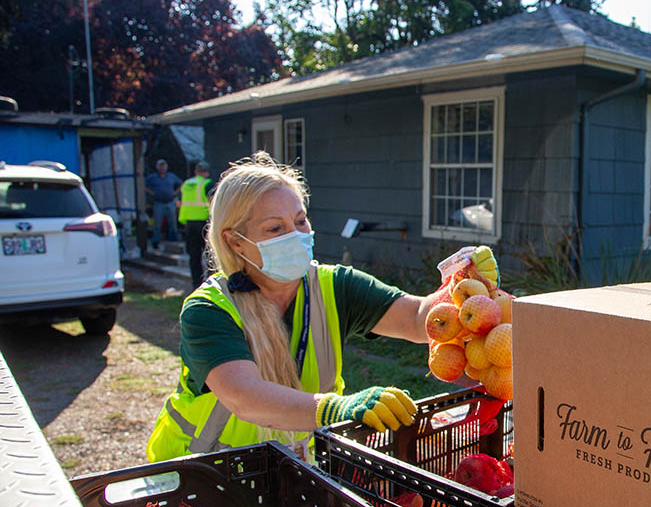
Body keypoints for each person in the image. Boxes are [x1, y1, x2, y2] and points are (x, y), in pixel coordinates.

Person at [145, 151, 498, 462]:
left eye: (300, 222)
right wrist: (335, 407)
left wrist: (461, 285)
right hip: (201, 476)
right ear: (235, 241)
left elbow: (415, 318)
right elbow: (244, 396)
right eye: (275, 228)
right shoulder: (209, 310)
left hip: (293, 471)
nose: (296, 236)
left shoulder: (333, 286)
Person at [178, 160, 214, 289]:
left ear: (196, 172)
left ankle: (196, 285)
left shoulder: (186, 184)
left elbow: (179, 203)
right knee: (211, 255)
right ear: (207, 172)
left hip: (188, 223)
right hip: (204, 223)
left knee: (194, 255)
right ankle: (211, 284)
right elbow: (213, 201)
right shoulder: (207, 184)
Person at [145, 158, 183, 248]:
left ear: (166, 167)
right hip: (159, 203)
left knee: (172, 224)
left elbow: (181, 183)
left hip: (170, 202)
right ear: (157, 167)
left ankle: (173, 242)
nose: (162, 168)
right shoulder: (153, 177)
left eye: (164, 166)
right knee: (157, 224)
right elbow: (144, 185)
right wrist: (152, 192)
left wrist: (175, 192)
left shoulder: (171, 176)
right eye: (160, 166)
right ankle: (156, 241)